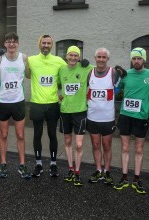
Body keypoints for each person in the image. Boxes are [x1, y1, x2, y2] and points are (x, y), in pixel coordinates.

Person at [27, 35, 67, 177]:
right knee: (37, 135)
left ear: (52, 45)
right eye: (43, 43)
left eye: (48, 43)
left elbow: (71, 71)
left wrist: (85, 65)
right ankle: (38, 164)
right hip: (37, 103)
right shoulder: (31, 60)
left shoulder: (58, 61)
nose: (46, 45)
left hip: (52, 104)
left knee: (52, 135)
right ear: (39, 44)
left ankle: (53, 164)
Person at [0, 32, 30, 179]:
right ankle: (3, 164)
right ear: (4, 44)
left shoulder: (24, 57)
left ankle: (22, 165)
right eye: (8, 41)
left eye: (14, 41)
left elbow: (29, 74)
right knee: (4, 134)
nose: (11, 44)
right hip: (3, 101)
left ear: (18, 43)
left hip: (18, 101)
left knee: (20, 135)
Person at [87, 47, 126, 185]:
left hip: (107, 118)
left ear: (107, 59)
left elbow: (120, 86)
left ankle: (107, 171)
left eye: (104, 57)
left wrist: (123, 75)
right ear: (95, 58)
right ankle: (98, 170)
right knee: (96, 145)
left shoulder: (113, 73)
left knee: (107, 145)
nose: (101, 59)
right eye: (99, 57)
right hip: (92, 117)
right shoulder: (90, 72)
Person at [114, 47, 149, 194]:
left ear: (144, 59)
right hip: (125, 116)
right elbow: (115, 90)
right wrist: (118, 76)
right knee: (125, 148)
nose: (136, 61)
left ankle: (136, 179)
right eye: (134, 58)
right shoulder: (126, 75)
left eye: (139, 58)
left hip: (141, 117)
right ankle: (124, 178)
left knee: (139, 149)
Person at [58, 46, 93, 186]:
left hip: (80, 111)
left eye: (75, 55)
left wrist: (89, 62)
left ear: (79, 57)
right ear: (66, 56)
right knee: (67, 141)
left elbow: (101, 68)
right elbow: (56, 84)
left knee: (78, 144)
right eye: (70, 55)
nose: (73, 58)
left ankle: (78, 172)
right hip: (65, 111)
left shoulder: (85, 68)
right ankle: (71, 169)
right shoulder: (61, 69)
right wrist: (59, 96)